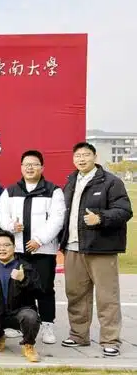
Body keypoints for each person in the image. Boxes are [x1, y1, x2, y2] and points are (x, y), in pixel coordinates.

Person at [58, 142, 133, 357]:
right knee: (76, 294)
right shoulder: (71, 181)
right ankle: (78, 335)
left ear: (95, 157)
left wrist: (100, 218)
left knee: (106, 296)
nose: (81, 159)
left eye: (86, 155)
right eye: (78, 156)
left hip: (101, 249)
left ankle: (110, 340)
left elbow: (124, 211)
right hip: (73, 248)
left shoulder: (111, 182)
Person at [0, 149, 66, 344]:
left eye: (34, 164)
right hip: (17, 249)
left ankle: (48, 325)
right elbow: (1, 214)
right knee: (20, 287)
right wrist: (11, 226)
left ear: (42, 167)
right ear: (21, 167)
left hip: (43, 249)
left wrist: (40, 240)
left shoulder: (53, 191)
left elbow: (57, 219)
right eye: (26, 164)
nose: (30, 167)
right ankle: (21, 324)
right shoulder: (10, 191)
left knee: (44, 288)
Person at [0, 230, 42, 363]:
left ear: (14, 246)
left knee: (31, 317)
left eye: (6, 245)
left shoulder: (25, 265)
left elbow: (39, 290)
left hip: (19, 312)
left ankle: (28, 344)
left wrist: (24, 279)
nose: (2, 249)